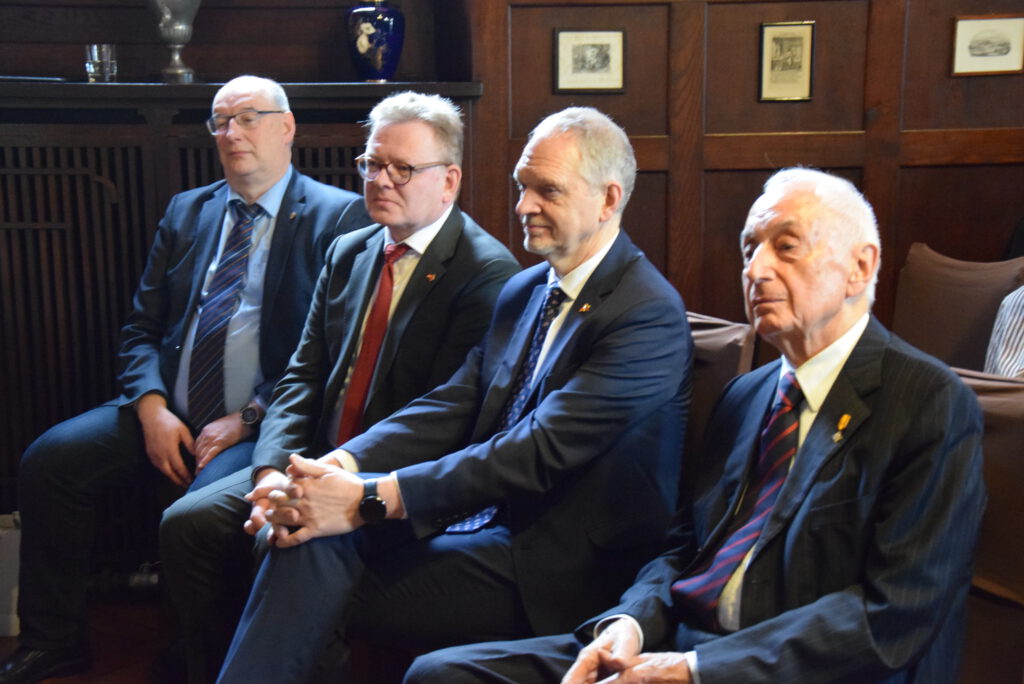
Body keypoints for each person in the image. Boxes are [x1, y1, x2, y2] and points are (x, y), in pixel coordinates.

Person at [405, 167, 987, 684]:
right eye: (748, 249)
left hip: (780, 668)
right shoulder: (747, 395)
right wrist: (629, 625)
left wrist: (696, 670)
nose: (756, 269)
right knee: (441, 673)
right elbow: (684, 548)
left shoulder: (929, 404)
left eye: (786, 247)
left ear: (861, 266)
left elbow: (892, 616)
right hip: (674, 645)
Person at [214, 106, 693, 683]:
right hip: (476, 523)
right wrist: (336, 466)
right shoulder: (526, 290)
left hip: (557, 565)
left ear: (609, 199)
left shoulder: (648, 315)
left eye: (548, 191)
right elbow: (452, 403)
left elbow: (534, 451)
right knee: (301, 535)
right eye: (522, 187)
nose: (523, 206)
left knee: (307, 570)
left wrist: (368, 497)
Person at [0, 75, 370, 684]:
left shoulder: (338, 215)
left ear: (286, 126)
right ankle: (54, 639)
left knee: (197, 510)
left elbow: (330, 351)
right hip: (167, 409)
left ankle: (195, 660)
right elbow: (142, 326)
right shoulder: (189, 209)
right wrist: (149, 405)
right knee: (49, 461)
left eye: (249, 118)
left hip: (256, 423)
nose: (233, 133)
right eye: (221, 122)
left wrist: (248, 415)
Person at [158, 90, 520, 683]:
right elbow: (301, 376)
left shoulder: (486, 273)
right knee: (188, 525)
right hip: (307, 454)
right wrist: (271, 469)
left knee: (288, 537)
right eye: (372, 164)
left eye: (402, 168)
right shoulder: (350, 250)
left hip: (385, 476)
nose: (381, 180)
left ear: (449, 181)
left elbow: (447, 419)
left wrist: (326, 480)